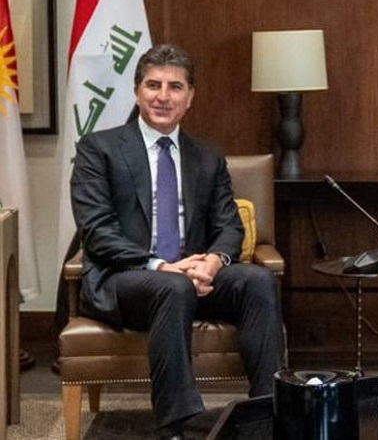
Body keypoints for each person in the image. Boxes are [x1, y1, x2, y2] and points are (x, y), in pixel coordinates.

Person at [70, 44, 284, 440]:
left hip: (193, 275)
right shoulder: (98, 149)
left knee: (257, 281)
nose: (163, 96)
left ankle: (267, 413)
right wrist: (162, 266)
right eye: (153, 85)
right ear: (137, 92)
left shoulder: (206, 155)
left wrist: (213, 262)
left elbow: (229, 226)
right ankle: (180, 423)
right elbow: (97, 231)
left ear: (190, 97)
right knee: (172, 286)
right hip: (125, 278)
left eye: (175, 87)